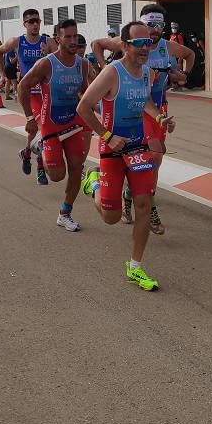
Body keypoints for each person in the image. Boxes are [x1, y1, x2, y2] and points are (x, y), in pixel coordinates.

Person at [77, 21, 176, 292]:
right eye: (140, 43)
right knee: (111, 216)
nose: (146, 48)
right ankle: (93, 182)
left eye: (149, 43)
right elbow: (84, 107)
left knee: (144, 204)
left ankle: (135, 267)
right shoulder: (112, 73)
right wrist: (107, 136)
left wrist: (160, 118)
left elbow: (145, 101)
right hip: (112, 149)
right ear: (124, 45)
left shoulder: (147, 73)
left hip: (137, 147)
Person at [91, 4, 194, 233]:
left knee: (153, 163)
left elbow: (190, 54)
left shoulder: (167, 47)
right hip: (135, 109)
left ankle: (132, 196)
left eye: (158, 25)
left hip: (158, 108)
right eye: (149, 25)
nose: (154, 31)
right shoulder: (126, 42)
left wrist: (183, 75)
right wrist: (102, 69)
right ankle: (148, 206)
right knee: (153, 158)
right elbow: (96, 44)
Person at [18, 19, 93, 232]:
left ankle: (65, 213)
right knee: (57, 175)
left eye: (75, 36)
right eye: (67, 36)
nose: (73, 40)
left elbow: (89, 94)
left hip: (74, 124)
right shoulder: (47, 64)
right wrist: (29, 118)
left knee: (77, 169)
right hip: (51, 125)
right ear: (57, 39)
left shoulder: (83, 64)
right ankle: (39, 147)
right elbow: (23, 86)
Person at [0, 9, 57, 185]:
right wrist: (2, 75)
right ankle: (40, 169)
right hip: (28, 93)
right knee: (39, 128)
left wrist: (49, 55)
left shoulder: (48, 42)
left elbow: (60, 62)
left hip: (46, 92)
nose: (35, 24)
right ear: (24, 24)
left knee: (37, 130)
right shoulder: (17, 42)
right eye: (30, 21)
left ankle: (27, 153)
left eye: (37, 21)